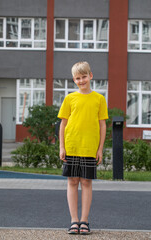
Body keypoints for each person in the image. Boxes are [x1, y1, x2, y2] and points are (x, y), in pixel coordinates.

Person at [58, 61, 108, 235]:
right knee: (72, 182)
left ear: (91, 76)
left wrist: (100, 149)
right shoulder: (69, 98)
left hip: (89, 148)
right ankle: (74, 221)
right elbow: (63, 124)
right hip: (71, 146)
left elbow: (102, 126)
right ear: (74, 79)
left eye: (84, 77)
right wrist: (61, 146)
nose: (81, 80)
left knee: (86, 182)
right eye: (78, 78)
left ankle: (85, 221)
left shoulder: (99, 99)